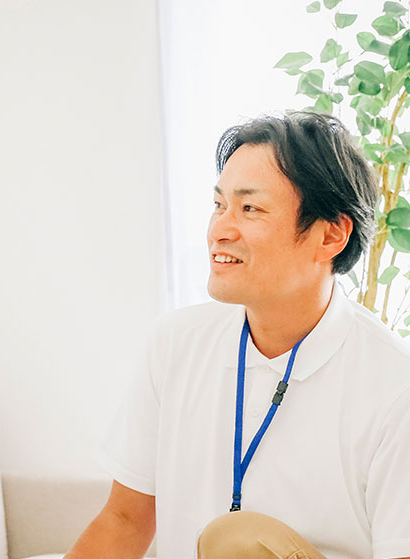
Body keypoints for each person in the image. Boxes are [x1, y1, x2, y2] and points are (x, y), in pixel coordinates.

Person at [65, 112, 410, 559]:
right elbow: (125, 520)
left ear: (331, 235)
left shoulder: (393, 385)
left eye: (250, 208)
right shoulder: (175, 343)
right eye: (218, 205)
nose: (220, 230)